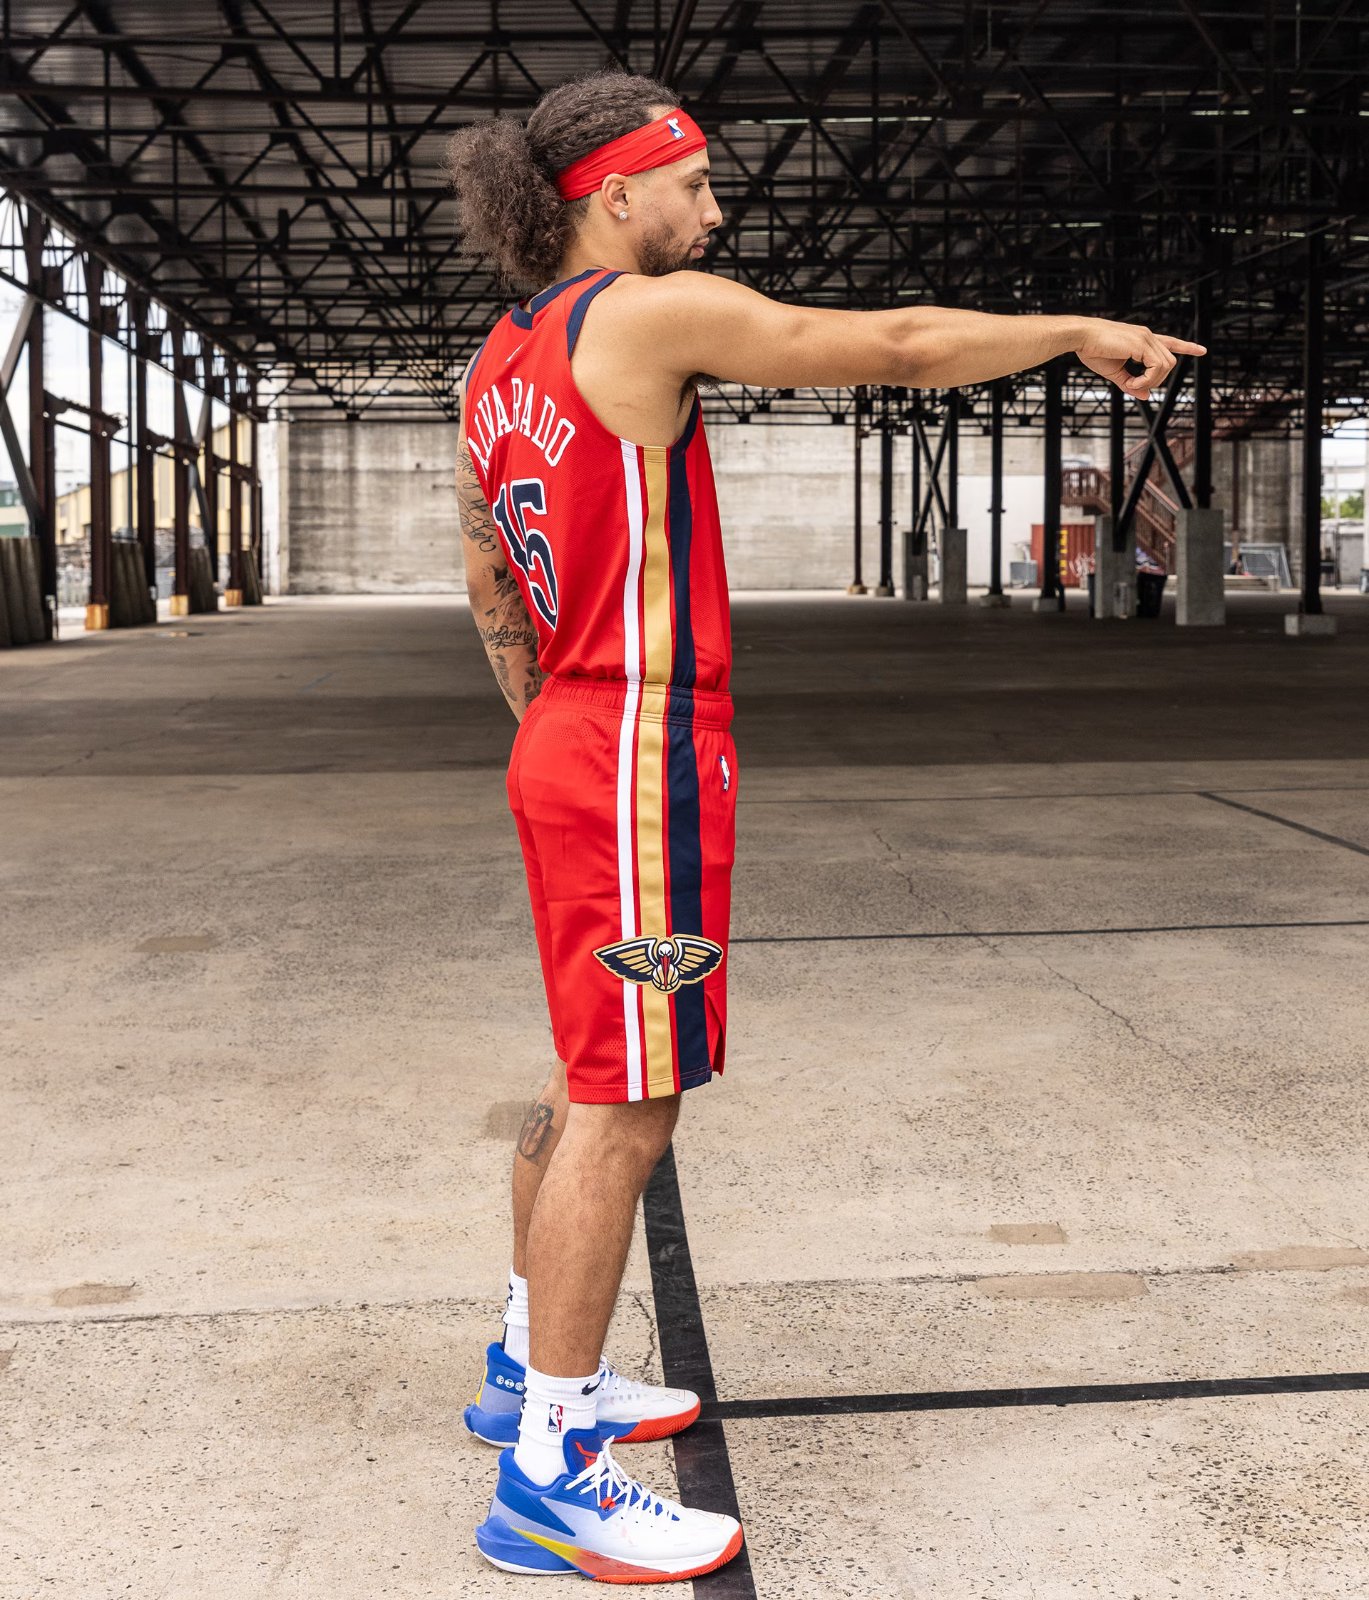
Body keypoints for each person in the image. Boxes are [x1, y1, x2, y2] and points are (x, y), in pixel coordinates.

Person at [446, 69, 1206, 1584]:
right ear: (615, 190)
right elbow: (898, 346)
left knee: (586, 1066)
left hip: (568, 740)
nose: (715, 211)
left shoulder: (503, 352)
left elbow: (488, 581)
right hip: (637, 753)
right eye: (695, 184)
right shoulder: (640, 315)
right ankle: (553, 1473)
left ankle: (528, 1367)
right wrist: (1073, 327)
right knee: (629, 1107)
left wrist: (556, 730)